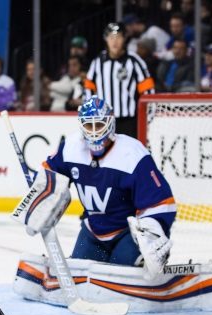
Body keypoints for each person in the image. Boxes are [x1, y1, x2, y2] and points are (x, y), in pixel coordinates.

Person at [41, 96, 176, 273]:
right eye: (89, 125)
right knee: (78, 275)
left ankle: (138, 259)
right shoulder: (70, 148)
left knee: (120, 273)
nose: (95, 132)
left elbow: (161, 203)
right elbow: (47, 174)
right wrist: (40, 194)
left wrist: (152, 236)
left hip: (128, 234)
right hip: (93, 232)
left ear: (110, 124)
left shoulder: (133, 154)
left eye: (100, 125)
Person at [84, 22, 155, 139]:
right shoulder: (98, 61)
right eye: (111, 37)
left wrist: (148, 118)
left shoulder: (134, 61)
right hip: (103, 121)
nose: (114, 41)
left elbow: (148, 90)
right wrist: (90, 114)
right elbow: (88, 89)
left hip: (129, 122)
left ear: (124, 39)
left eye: (118, 37)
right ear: (106, 39)